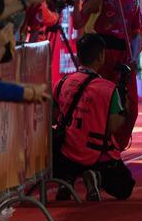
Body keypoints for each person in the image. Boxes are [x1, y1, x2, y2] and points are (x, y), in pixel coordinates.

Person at [53, 34, 136, 201]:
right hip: (96, 154)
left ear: (78, 55)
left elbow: (53, 118)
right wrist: (124, 109)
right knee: (125, 188)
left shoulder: (62, 83)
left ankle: (66, 178)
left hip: (66, 152)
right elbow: (114, 126)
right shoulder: (109, 89)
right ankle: (95, 175)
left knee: (60, 151)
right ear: (101, 56)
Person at [79, 0, 142, 149]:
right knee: (100, 102)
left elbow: (139, 31)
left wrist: (135, 55)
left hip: (123, 57)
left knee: (129, 106)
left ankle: (116, 145)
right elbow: (86, 11)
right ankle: (94, 145)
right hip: (100, 54)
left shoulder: (133, 0)